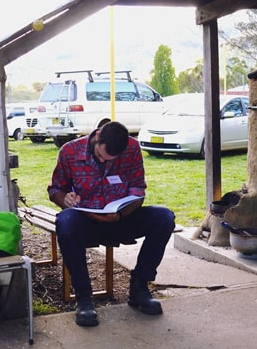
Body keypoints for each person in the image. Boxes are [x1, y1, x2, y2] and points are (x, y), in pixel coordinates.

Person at [47, 121, 176, 327]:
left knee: (164, 218)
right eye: (100, 156)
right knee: (65, 221)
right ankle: (84, 298)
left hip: (121, 218)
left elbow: (137, 190)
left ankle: (139, 287)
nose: (104, 161)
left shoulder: (133, 148)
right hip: (87, 220)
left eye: (111, 160)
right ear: (97, 136)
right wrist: (66, 200)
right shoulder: (70, 151)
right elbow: (55, 190)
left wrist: (122, 213)